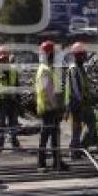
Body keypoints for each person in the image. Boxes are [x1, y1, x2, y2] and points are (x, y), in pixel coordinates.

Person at [35, 40, 67, 171]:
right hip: (49, 108)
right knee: (47, 135)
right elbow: (48, 91)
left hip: (47, 107)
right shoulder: (46, 70)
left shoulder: (44, 69)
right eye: (53, 55)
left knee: (54, 135)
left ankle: (56, 161)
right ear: (49, 55)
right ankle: (42, 163)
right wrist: (56, 107)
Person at [65, 42, 98, 159]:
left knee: (88, 126)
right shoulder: (74, 69)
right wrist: (81, 102)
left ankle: (79, 149)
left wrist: (92, 96)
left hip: (83, 103)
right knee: (77, 129)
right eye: (83, 55)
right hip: (77, 104)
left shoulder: (81, 68)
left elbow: (85, 86)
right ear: (77, 56)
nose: (85, 57)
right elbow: (75, 88)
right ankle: (76, 151)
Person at [0, 46, 20, 151]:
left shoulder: (13, 70)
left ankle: (14, 143)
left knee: (13, 122)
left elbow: (17, 84)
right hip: (1, 100)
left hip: (12, 101)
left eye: (6, 58)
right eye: (2, 59)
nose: (4, 61)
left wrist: (18, 99)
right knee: (1, 123)